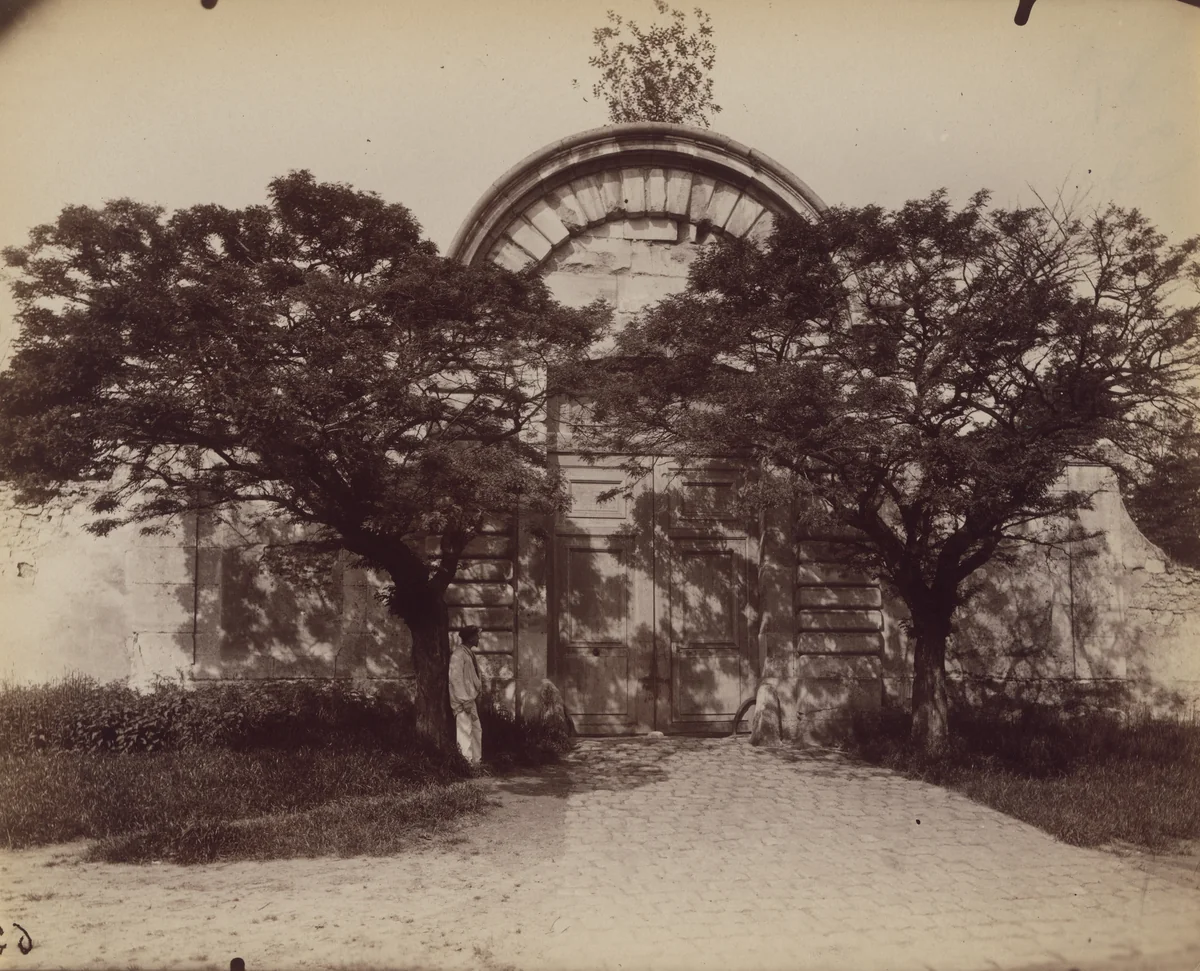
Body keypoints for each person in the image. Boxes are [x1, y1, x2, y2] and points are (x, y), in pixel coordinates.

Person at [449, 625, 483, 764]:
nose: (479, 638)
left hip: (470, 700)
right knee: (465, 732)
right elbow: (455, 679)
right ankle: (466, 764)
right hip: (463, 702)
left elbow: (472, 676)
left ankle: (476, 763)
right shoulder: (458, 655)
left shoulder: (468, 653)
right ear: (470, 638)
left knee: (476, 730)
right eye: (476, 636)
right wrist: (464, 700)